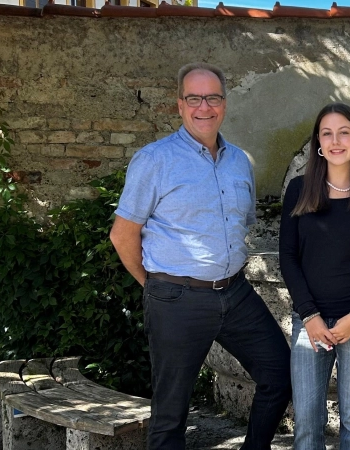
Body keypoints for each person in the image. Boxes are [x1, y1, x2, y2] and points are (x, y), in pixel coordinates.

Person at [109, 62, 291, 450]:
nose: (203, 107)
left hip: (234, 292)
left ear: (224, 104)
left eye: (212, 97)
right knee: (170, 414)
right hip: (176, 297)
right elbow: (122, 235)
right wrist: (155, 285)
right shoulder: (155, 160)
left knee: (279, 372)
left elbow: (241, 222)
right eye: (194, 98)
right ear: (179, 105)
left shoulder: (240, 161)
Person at [279, 103, 350, 449]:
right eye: (327, 133)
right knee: (306, 425)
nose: (336, 140)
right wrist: (309, 315)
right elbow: (288, 258)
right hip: (309, 322)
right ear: (318, 142)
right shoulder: (300, 190)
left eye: (344, 132)